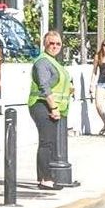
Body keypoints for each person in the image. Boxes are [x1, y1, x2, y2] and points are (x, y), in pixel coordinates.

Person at [28, 30, 71, 190]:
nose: (54, 46)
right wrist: (53, 107)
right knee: (46, 142)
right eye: (51, 43)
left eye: (57, 43)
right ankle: (45, 179)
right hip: (41, 105)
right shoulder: (43, 62)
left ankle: (46, 177)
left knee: (50, 142)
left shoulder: (53, 61)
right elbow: (44, 87)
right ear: (45, 44)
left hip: (51, 106)